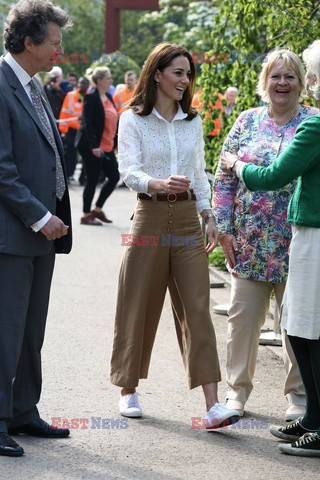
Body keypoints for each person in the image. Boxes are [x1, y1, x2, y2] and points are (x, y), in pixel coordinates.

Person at [109, 43, 241, 430]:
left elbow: (199, 172)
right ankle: (128, 390)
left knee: (197, 307)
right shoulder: (132, 119)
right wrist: (157, 183)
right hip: (148, 214)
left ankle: (213, 405)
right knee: (138, 302)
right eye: (178, 73)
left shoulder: (192, 121)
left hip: (186, 219)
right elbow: (127, 170)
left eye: (188, 74)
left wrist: (208, 213)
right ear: (157, 75)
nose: (185, 81)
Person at [220, 39, 320, 458]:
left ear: (303, 82)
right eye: (275, 75)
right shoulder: (246, 121)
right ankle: (236, 394)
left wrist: (238, 167)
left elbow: (268, 174)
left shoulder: (312, 120)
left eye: (290, 76)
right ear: (265, 82)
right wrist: (223, 227)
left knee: (297, 326)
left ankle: (299, 401)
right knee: (243, 320)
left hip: (297, 242)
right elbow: (223, 178)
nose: (283, 82)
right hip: (250, 241)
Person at [0, 0, 72, 457]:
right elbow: (2, 168)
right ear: (29, 42)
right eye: (55, 43)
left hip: (40, 238)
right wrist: (40, 215)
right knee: (4, 330)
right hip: (14, 234)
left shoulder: (31, 84)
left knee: (30, 329)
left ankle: (23, 410)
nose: (59, 52)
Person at [76, 67, 119, 225]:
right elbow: (88, 124)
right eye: (108, 78)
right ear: (100, 80)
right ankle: (86, 214)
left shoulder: (108, 96)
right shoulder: (91, 98)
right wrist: (94, 146)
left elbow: (113, 121)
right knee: (92, 180)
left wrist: (114, 143)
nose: (111, 81)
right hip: (91, 147)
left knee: (114, 177)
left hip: (107, 146)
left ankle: (98, 209)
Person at [59, 76, 90, 182]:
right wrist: (63, 130)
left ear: (88, 86)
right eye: (80, 83)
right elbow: (64, 112)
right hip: (71, 130)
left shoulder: (91, 96)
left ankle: (83, 178)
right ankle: (68, 175)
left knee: (86, 155)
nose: (82, 85)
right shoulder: (71, 95)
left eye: (84, 84)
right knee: (70, 154)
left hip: (84, 130)